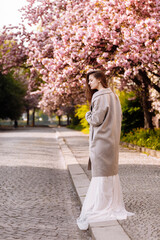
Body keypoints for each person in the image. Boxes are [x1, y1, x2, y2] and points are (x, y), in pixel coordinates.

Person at [77, 70, 134, 230]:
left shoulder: (99, 96)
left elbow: (96, 119)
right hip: (112, 140)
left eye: (91, 80)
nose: (89, 83)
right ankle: (110, 203)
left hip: (101, 141)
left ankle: (101, 205)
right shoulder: (114, 96)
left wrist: (88, 115)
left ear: (100, 79)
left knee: (101, 174)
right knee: (110, 174)